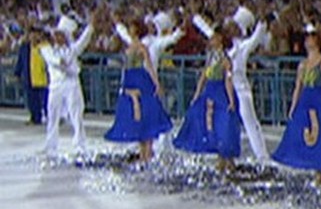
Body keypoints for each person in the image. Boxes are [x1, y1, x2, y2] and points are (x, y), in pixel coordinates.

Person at [274, 27, 321, 184]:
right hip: (306, 102)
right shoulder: (302, 65)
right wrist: (293, 107)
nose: (307, 41)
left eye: (311, 38)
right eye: (307, 38)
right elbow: (298, 87)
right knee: (307, 133)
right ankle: (316, 168)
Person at [104, 18, 172, 163]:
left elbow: (149, 67)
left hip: (141, 80)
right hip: (130, 79)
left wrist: (157, 84)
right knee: (136, 118)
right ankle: (143, 154)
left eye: (132, 27)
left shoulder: (142, 47)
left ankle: (147, 154)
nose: (130, 29)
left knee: (146, 115)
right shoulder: (128, 47)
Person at [174, 25, 241, 170]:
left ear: (220, 39)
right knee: (207, 122)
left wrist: (230, 100)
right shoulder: (210, 56)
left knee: (222, 124)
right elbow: (203, 76)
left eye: (214, 37)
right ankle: (221, 157)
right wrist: (197, 94)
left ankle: (226, 159)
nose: (210, 40)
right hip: (209, 92)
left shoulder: (225, 59)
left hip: (220, 93)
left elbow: (228, 80)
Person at [40, 16, 94, 158]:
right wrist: (62, 62)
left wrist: (90, 27)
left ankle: (80, 145)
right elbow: (54, 60)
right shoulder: (47, 49)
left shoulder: (72, 49)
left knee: (76, 114)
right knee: (52, 115)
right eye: (55, 35)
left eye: (60, 35)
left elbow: (83, 41)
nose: (57, 38)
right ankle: (51, 146)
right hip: (55, 86)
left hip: (71, 83)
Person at [14, 26, 49, 125]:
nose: (34, 37)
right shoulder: (24, 47)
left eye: (36, 34)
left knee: (45, 100)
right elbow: (20, 61)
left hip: (43, 77)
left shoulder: (45, 46)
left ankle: (49, 116)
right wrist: (17, 73)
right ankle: (35, 118)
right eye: (32, 34)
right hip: (29, 77)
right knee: (32, 100)